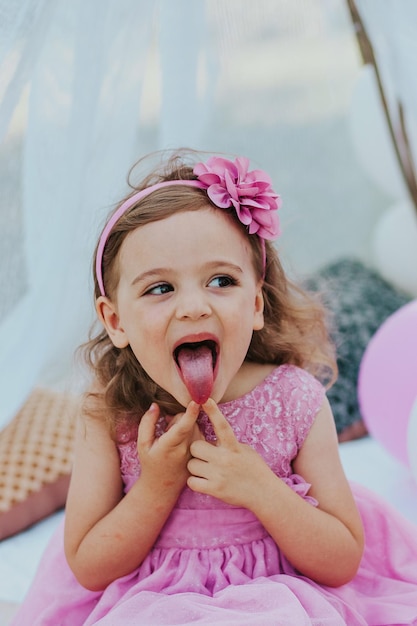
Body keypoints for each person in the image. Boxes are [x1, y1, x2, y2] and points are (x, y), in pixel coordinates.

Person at [12, 150, 417, 625]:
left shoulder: (294, 399)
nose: (193, 307)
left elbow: (340, 559)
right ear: (115, 321)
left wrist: (260, 488)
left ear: (257, 304)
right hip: (154, 602)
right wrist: (156, 487)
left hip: (280, 596)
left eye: (221, 280)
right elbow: (89, 566)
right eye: (160, 288)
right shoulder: (110, 414)